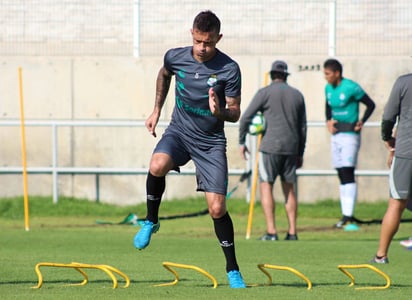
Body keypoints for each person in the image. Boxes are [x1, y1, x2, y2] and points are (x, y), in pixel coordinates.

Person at [133, 11, 246, 288]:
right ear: (191, 34)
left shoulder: (229, 68)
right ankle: (150, 221)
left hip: (210, 142)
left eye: (207, 43)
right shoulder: (175, 56)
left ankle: (232, 269)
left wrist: (220, 111)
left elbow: (235, 113)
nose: (201, 48)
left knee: (217, 208)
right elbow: (164, 75)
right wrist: (157, 109)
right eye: (197, 41)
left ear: (218, 38)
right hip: (180, 133)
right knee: (157, 164)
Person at [239, 60, 307, 241]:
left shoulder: (265, 93)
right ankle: (292, 232)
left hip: (269, 147)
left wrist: (241, 141)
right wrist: (300, 152)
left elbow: (246, 117)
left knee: (266, 186)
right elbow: (303, 127)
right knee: (289, 189)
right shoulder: (298, 95)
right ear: (285, 76)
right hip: (291, 148)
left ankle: (271, 231)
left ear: (272, 75)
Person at [323, 59, 376, 228]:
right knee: (340, 171)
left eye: (328, 73)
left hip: (350, 135)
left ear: (337, 73)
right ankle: (345, 214)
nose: (326, 77)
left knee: (347, 171)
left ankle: (349, 215)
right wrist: (328, 121)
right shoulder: (328, 88)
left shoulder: (351, 87)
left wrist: (362, 121)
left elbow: (370, 104)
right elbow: (328, 105)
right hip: (336, 134)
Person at [371, 73, 412, 263]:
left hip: (406, 152)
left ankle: (381, 255)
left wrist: (387, 138)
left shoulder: (404, 82)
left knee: (396, 203)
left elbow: (389, 116)